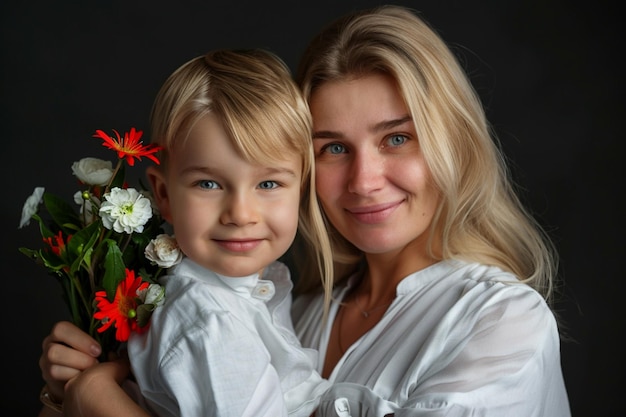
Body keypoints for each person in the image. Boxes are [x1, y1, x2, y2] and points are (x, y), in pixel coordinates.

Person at [37, 5, 571, 416]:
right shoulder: (291, 309)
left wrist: (100, 401)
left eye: (397, 139)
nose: (364, 181)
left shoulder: (502, 323)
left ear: (452, 143)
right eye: (333, 148)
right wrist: (83, 382)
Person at [38, 48, 335, 416]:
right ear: (163, 194)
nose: (241, 214)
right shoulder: (212, 324)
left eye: (269, 184)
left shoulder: (249, 290)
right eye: (208, 184)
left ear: (302, 188)